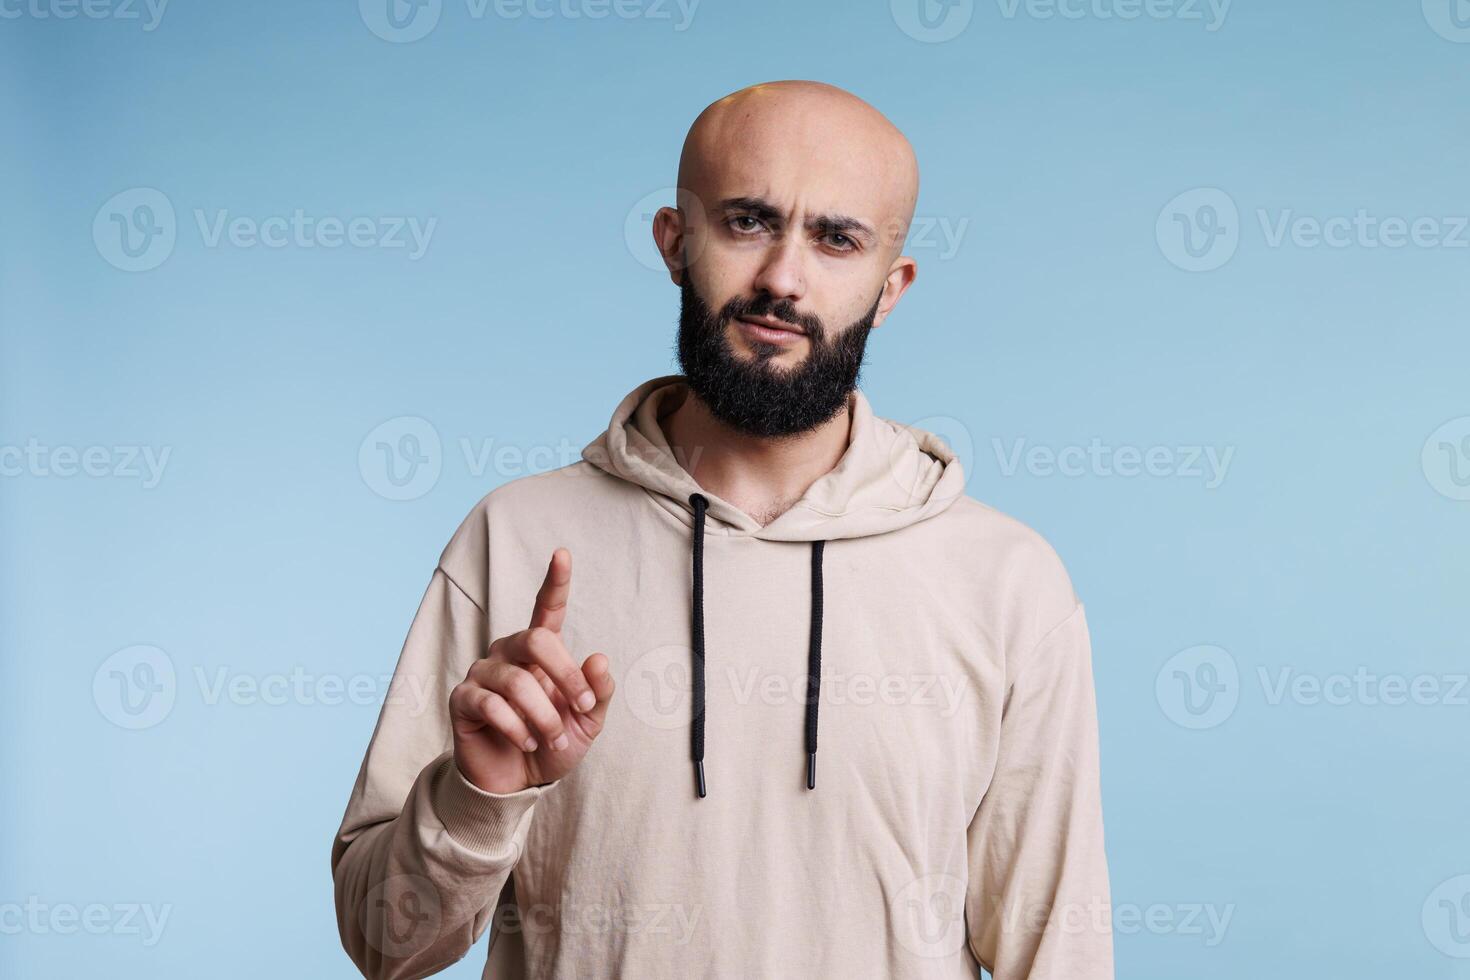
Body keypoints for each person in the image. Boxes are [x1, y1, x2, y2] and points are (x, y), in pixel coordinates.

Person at [331, 79, 1113, 979]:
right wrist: (477, 799)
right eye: (747, 221)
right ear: (675, 242)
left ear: (890, 287)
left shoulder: (1007, 582)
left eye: (836, 238)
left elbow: (1058, 956)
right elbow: (385, 945)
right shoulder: (517, 539)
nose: (784, 277)